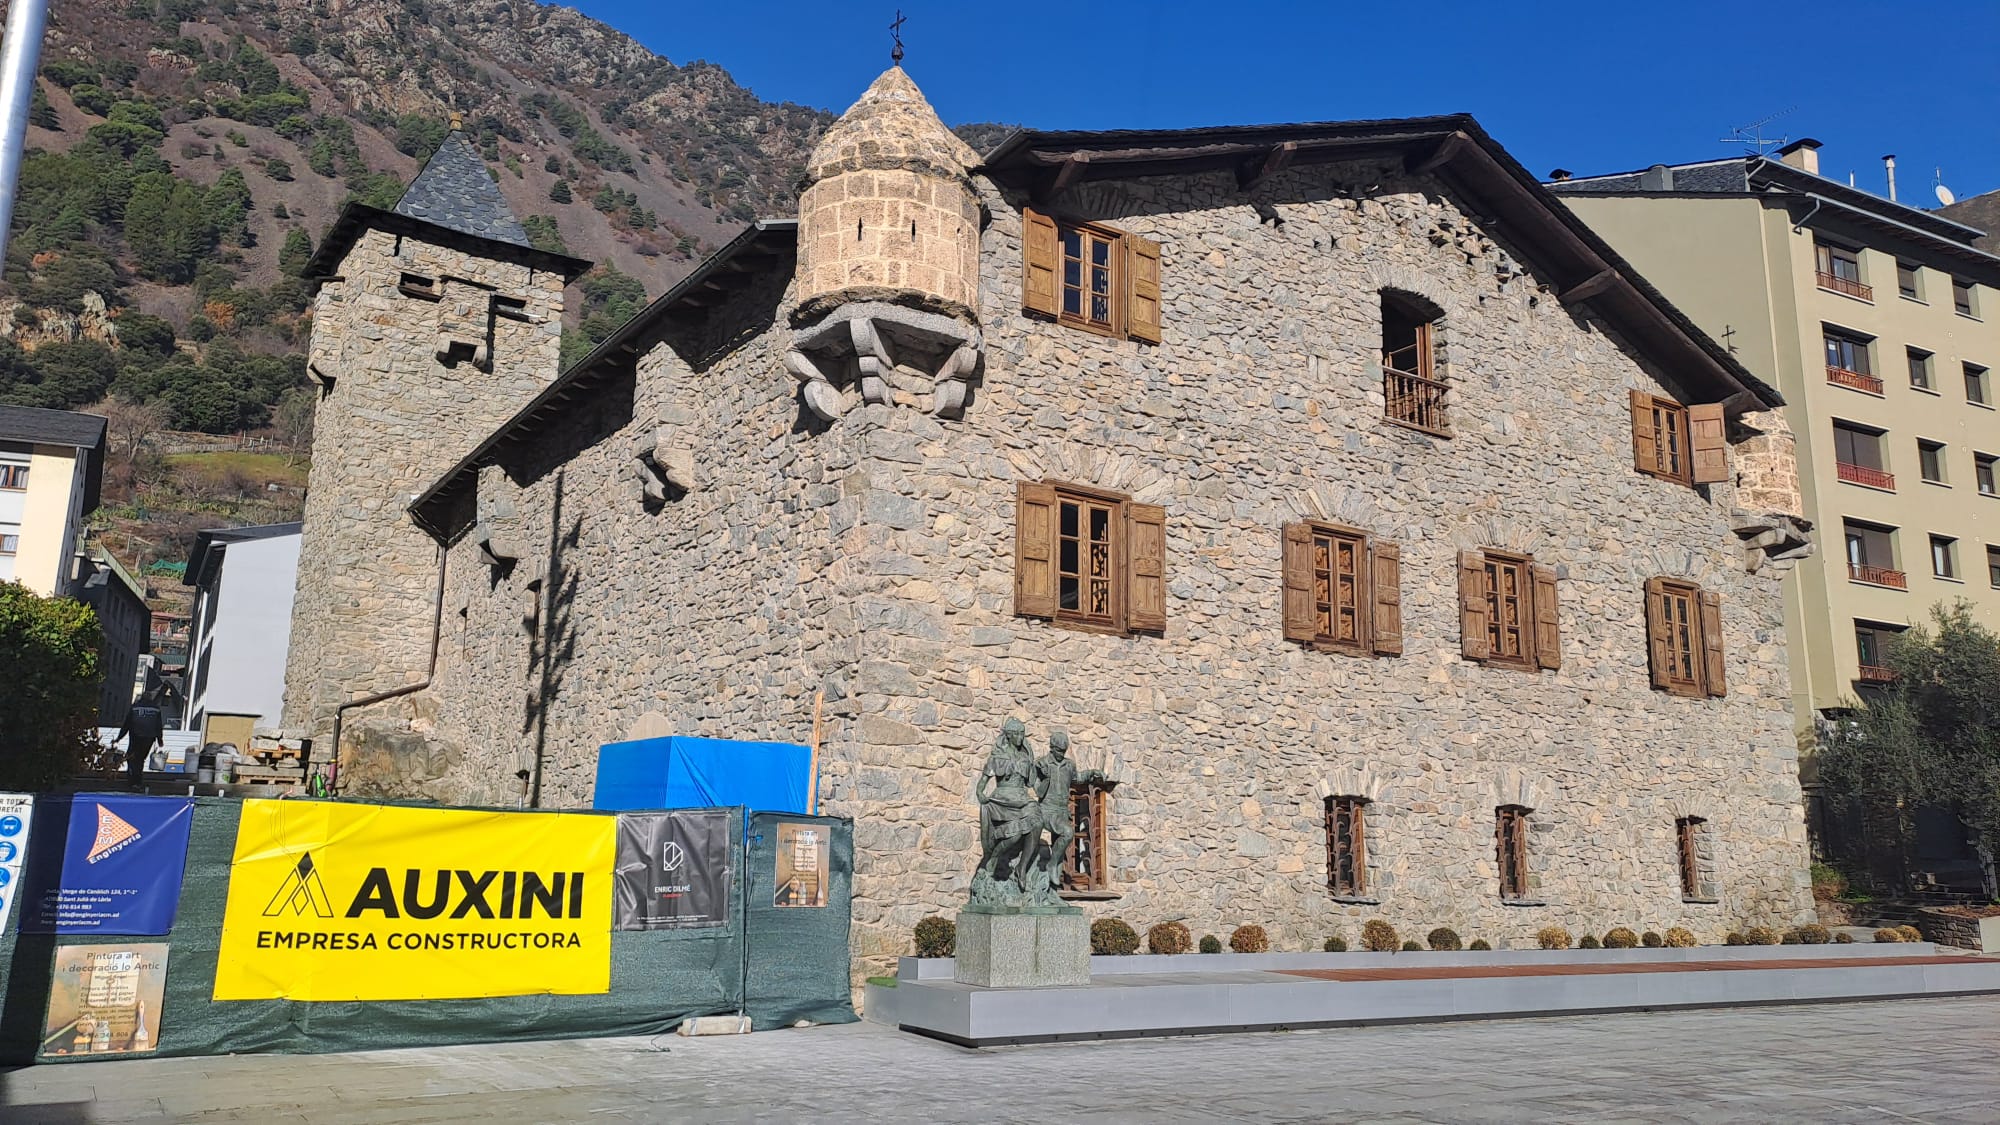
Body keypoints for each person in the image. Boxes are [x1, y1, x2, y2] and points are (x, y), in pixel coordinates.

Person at [114, 693, 165, 790]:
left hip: (135, 736)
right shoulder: (156, 709)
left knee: (131, 758)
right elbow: (158, 726)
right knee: (140, 759)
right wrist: (160, 740)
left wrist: (119, 738)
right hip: (149, 738)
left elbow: (127, 724)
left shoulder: (135, 707)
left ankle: (132, 781)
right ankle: (138, 781)